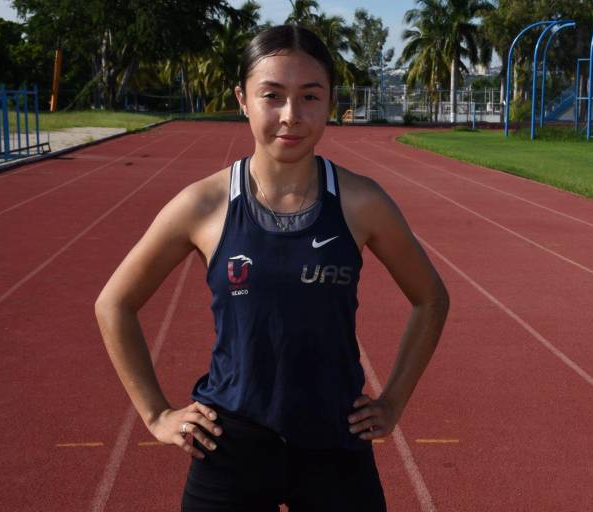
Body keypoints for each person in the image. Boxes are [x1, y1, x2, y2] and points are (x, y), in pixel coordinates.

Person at [95, 24, 449, 511]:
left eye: (309, 96)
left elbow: (431, 298)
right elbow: (114, 304)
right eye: (272, 95)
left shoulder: (362, 202)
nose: (291, 116)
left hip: (335, 444)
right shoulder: (204, 204)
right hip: (229, 446)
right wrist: (156, 414)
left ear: (330, 102)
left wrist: (392, 402)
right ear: (243, 98)